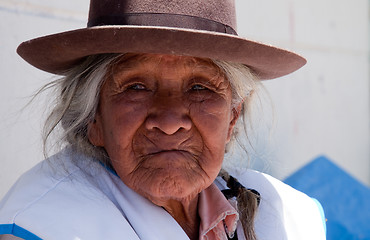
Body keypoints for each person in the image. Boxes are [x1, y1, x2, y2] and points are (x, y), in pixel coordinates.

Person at [0, 0, 326, 239]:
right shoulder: (42, 223)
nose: (170, 122)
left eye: (199, 87)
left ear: (232, 118)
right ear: (93, 118)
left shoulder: (291, 218)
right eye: (137, 87)